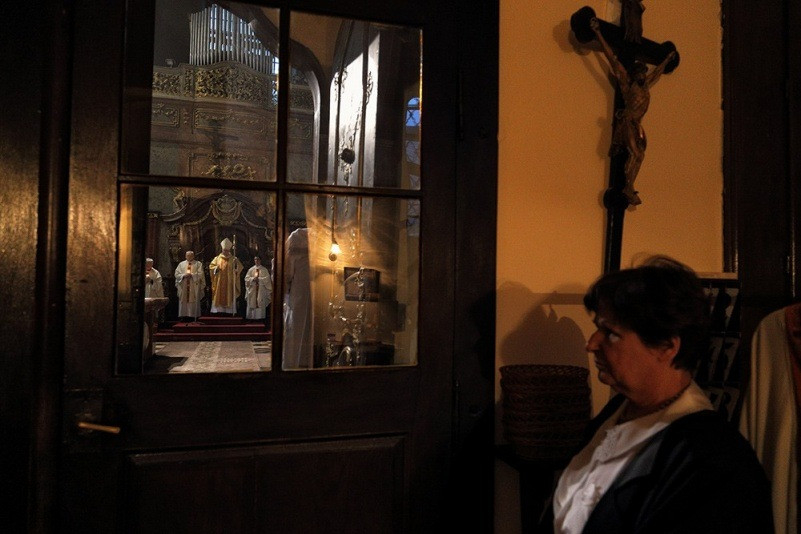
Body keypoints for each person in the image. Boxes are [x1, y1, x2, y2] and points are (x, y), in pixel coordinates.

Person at [550, 256, 773, 533]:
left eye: (610, 333)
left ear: (667, 347)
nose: (592, 343)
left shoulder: (712, 460)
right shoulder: (616, 412)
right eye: (598, 328)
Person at [590, 17, 675, 206]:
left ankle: (629, 186)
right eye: (640, 73)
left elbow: (657, 72)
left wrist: (667, 59)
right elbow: (612, 59)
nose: (643, 76)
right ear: (634, 74)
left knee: (640, 156)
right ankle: (628, 188)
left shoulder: (646, 85)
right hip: (628, 121)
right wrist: (597, 32)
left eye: (644, 73)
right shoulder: (628, 84)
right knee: (636, 154)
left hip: (637, 125)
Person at [283, 227, 313, 369]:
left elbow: (285, 273)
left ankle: (295, 368)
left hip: (300, 296)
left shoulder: (298, 236)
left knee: (297, 333)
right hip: (315, 295)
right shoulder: (330, 236)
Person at [209, 237, 243, 315]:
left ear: (229, 250)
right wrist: (216, 268)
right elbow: (211, 267)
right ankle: (218, 310)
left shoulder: (233, 259)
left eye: (227, 250)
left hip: (229, 282)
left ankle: (229, 311)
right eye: (224, 250)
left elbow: (240, 268)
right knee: (218, 294)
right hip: (219, 281)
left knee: (229, 294)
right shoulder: (217, 258)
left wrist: (236, 268)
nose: (225, 252)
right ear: (222, 250)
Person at [174, 250, 205, 321]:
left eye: (191, 255)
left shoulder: (198, 264)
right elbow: (176, 274)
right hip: (184, 284)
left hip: (193, 285)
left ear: (193, 256)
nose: (189, 257)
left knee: (193, 299)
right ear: (185, 256)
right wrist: (183, 275)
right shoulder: (181, 264)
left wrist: (192, 275)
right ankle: (183, 315)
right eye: (188, 255)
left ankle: (193, 315)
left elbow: (201, 274)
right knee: (183, 299)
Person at [244, 256, 272, 320]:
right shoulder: (251, 269)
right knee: (252, 301)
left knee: (260, 301)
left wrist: (259, 279)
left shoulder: (264, 270)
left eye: (258, 259)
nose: (256, 261)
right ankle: (251, 317)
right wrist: (253, 279)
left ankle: (260, 317)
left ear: (260, 260)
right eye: (255, 259)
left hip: (261, 290)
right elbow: (246, 279)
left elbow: (267, 279)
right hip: (252, 289)